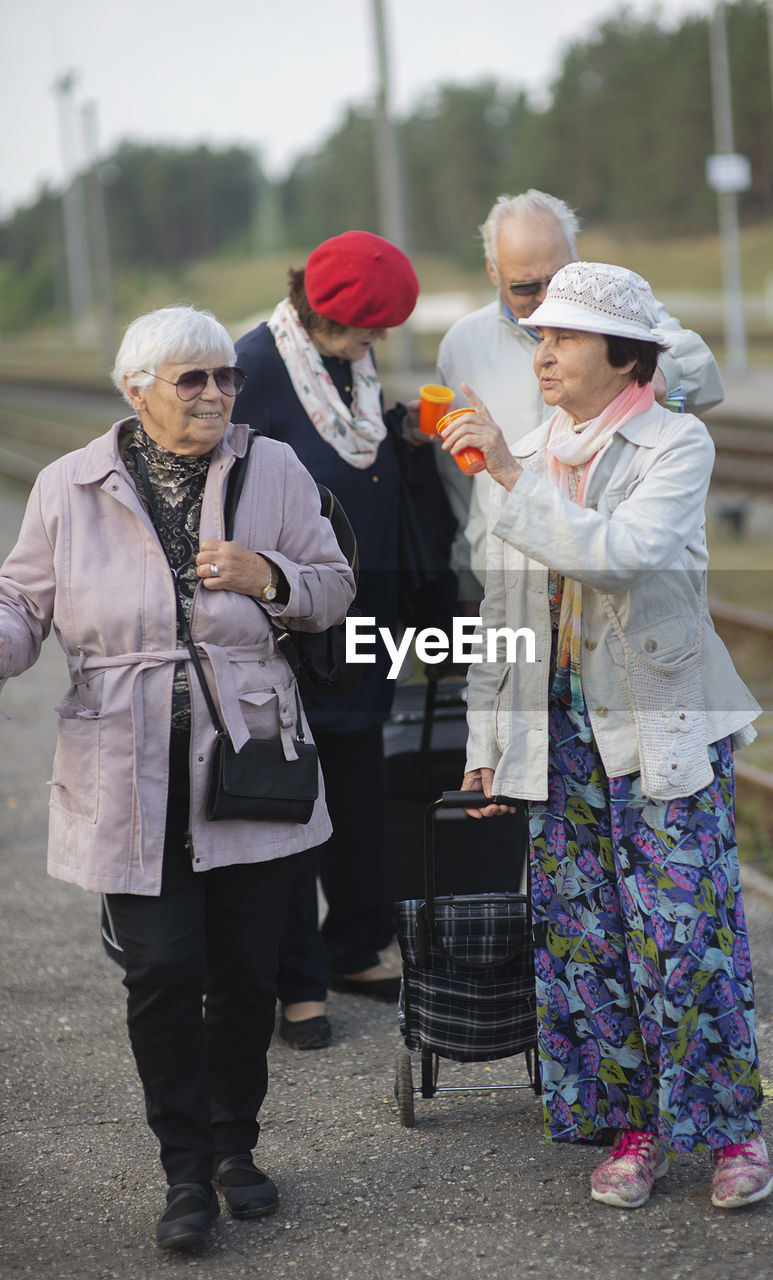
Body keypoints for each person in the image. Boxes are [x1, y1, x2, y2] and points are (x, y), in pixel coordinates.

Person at [0, 305, 355, 1250]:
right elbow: (20, 607)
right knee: (161, 969)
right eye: (191, 379)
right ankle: (185, 1174)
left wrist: (267, 575)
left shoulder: (271, 467)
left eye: (225, 377)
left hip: (250, 766)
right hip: (126, 766)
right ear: (137, 389)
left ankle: (237, 1148)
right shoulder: (67, 486)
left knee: (244, 974)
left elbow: (333, 588)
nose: (215, 394)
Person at [445, 261, 773, 1211]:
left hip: (662, 724)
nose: (540, 353)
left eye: (562, 338)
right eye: (539, 337)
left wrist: (509, 476)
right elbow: (501, 607)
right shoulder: (529, 445)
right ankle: (634, 1130)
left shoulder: (677, 443)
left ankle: (729, 1134)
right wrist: (488, 737)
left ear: (623, 354)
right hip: (555, 738)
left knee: (687, 932)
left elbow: (625, 555)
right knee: (588, 942)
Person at [234, 231, 452, 1049]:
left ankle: (353, 944)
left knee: (359, 784)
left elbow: (356, 461)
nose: (379, 345)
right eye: (371, 328)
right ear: (326, 314)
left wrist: (402, 440)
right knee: (293, 801)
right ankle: (297, 978)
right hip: (294, 628)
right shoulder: (252, 368)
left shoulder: (347, 366)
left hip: (368, 618)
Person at [435, 189, 726, 595]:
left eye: (555, 279)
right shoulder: (460, 343)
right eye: (524, 287)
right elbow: (458, 478)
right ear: (492, 271)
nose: (543, 298)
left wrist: (657, 369)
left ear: (575, 255)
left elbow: (704, 373)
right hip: (510, 571)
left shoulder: (617, 313)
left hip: (609, 576)